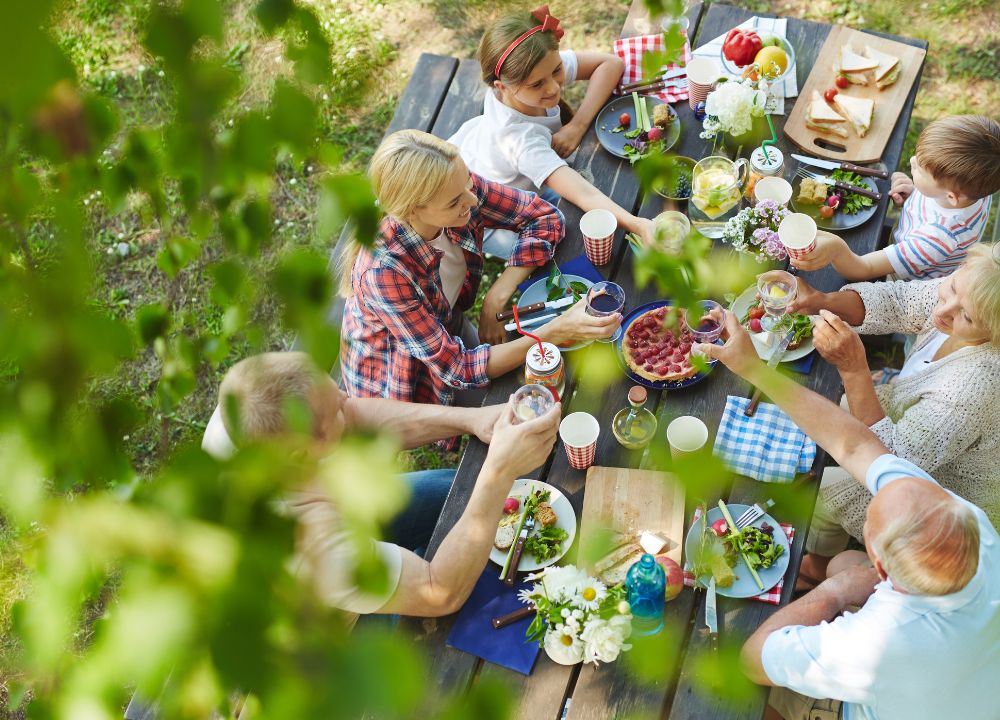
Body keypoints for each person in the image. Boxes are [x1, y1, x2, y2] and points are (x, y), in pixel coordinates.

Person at [696, 313, 1000, 720]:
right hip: (971, 669)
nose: (886, 483)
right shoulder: (971, 523)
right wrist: (752, 368)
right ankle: (811, 574)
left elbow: (754, 657)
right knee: (841, 561)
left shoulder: (874, 644)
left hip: (881, 703)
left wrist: (836, 593)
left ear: (881, 566)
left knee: (724, 693)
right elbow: (856, 447)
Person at [207, 351, 561, 624]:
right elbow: (439, 593)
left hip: (344, 513)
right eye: (338, 412)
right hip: (333, 622)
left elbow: (355, 415)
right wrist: (497, 472)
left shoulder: (251, 411)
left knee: (456, 492)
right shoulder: (309, 548)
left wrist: (471, 420)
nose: (348, 399)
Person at [340, 130, 619, 415]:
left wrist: (496, 295)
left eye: (468, 184)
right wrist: (557, 330)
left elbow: (544, 216)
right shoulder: (382, 273)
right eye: (454, 202)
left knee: (520, 393)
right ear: (411, 211)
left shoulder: (454, 187)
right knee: (509, 410)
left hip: (448, 322)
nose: (472, 201)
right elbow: (458, 368)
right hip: (401, 377)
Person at [786, 244, 1000, 583]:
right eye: (953, 286)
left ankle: (814, 567)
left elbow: (891, 461)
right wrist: (821, 300)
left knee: (821, 497)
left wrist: (854, 369)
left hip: (944, 500)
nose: (945, 309)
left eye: (968, 317)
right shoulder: (971, 290)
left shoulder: (975, 386)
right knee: (823, 411)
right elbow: (898, 302)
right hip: (907, 425)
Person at [448, 6, 656, 256]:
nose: (553, 88)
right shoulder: (518, 139)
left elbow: (610, 64)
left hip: (486, 156)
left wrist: (577, 126)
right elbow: (583, 193)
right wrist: (638, 224)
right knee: (561, 247)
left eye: (557, 70)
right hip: (490, 215)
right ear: (501, 86)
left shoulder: (536, 69)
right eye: (537, 84)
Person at [790, 115, 1000, 281]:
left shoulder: (936, 239)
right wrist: (915, 193)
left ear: (951, 197)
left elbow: (863, 268)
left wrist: (837, 249)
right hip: (910, 242)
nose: (911, 160)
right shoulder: (976, 188)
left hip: (905, 279)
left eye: (919, 169)